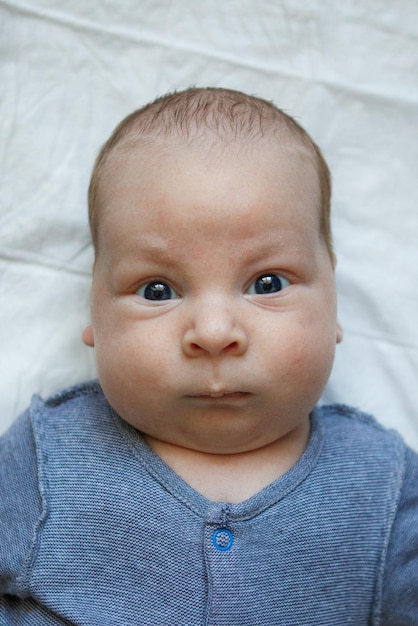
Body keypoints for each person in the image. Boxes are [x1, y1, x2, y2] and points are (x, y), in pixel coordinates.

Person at [0, 87, 417, 625]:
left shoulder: (381, 484)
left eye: (267, 283)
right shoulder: (46, 457)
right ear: (94, 316)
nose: (214, 332)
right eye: (157, 290)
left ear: (333, 300)